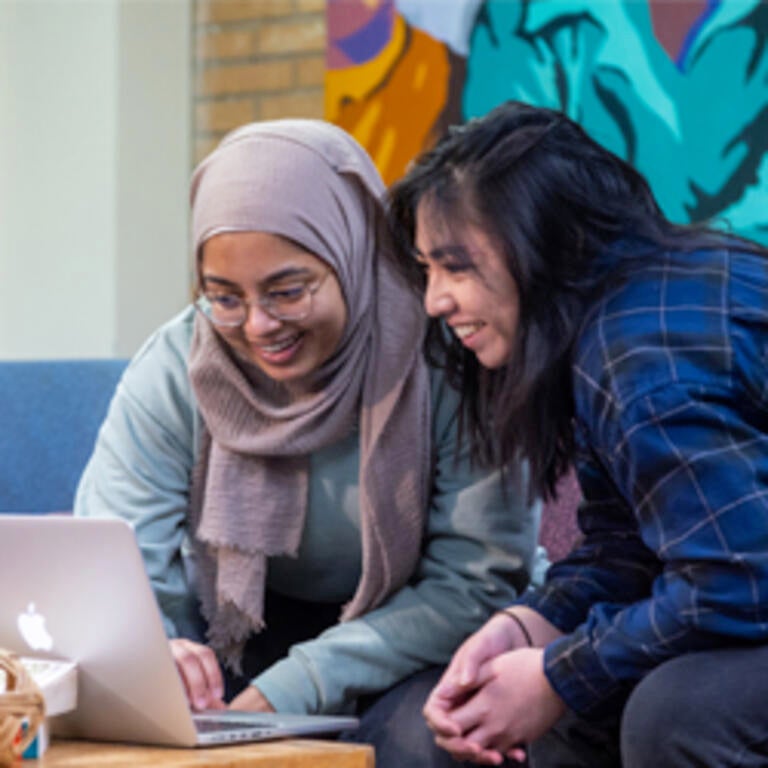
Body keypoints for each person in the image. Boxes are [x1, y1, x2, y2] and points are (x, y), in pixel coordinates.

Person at [73, 118, 540, 767]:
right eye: (224, 297)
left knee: (423, 747)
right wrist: (152, 650)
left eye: (288, 291)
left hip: (427, 640)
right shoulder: (180, 367)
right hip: (241, 644)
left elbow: (474, 583)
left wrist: (301, 682)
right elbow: (112, 561)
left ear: (350, 250)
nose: (258, 327)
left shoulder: (448, 355)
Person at [386, 100, 768, 767]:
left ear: (544, 242)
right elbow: (629, 548)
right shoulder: (620, 317)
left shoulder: (644, 359)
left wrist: (561, 672)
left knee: (677, 714)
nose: (434, 301)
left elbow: (738, 579)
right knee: (586, 702)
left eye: (456, 267)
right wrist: (530, 626)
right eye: (426, 271)